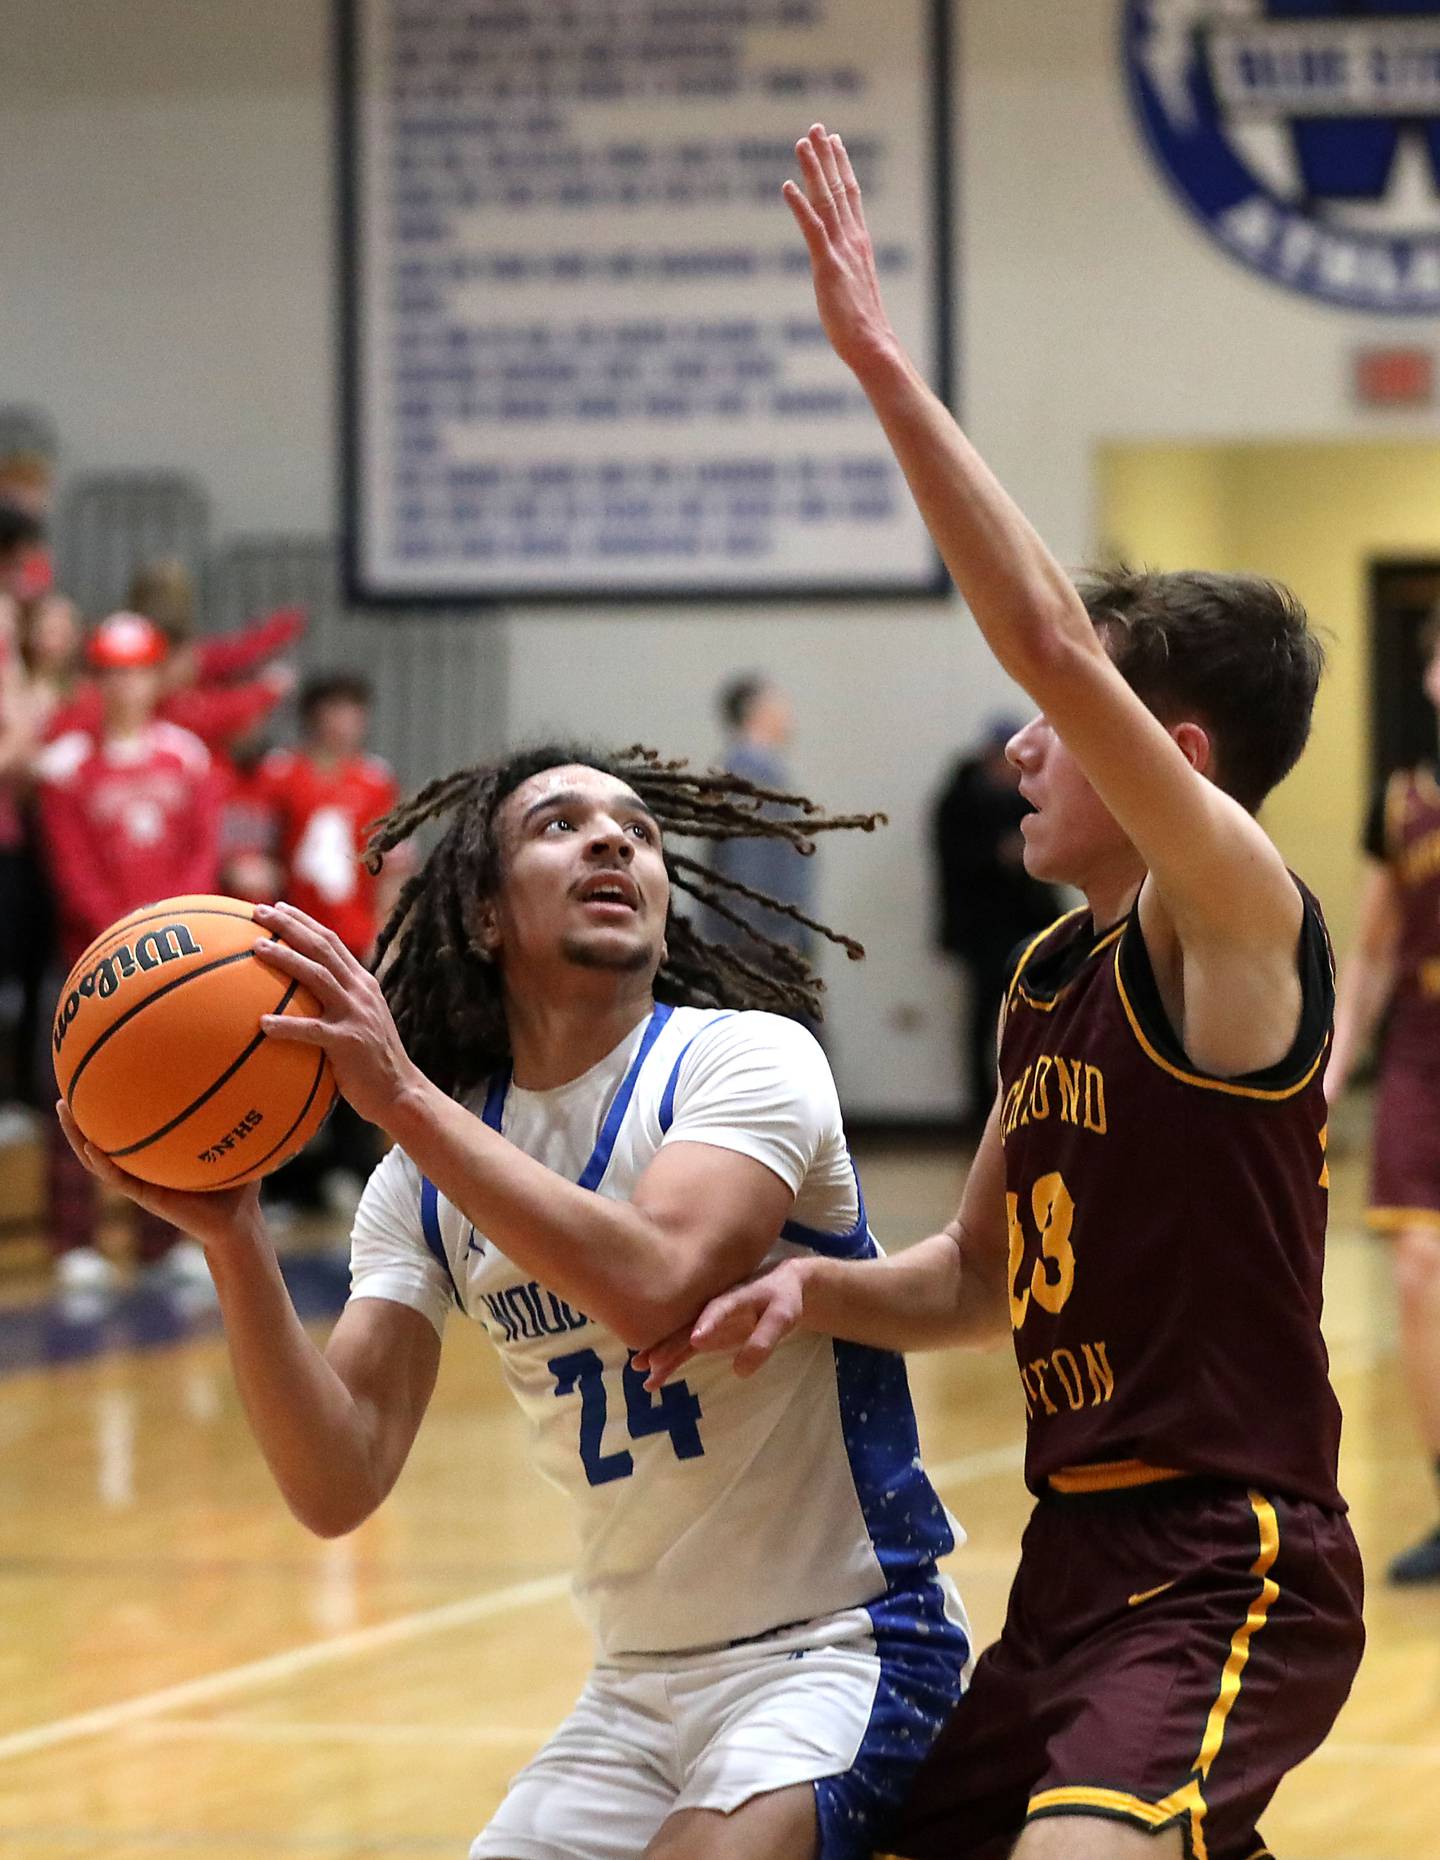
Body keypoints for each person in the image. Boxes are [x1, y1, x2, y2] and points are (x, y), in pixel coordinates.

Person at [642, 125, 1364, 1860]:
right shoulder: (1049, 975)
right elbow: (973, 1278)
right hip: (1068, 1558)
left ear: (1172, 757)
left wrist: (881, 369)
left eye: (1074, 720)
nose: (1026, 743)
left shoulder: (1237, 925)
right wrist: (809, 1296)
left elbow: (1045, 642)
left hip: (1223, 1551)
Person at [57, 741, 971, 1860]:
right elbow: (338, 1479)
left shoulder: (746, 1061)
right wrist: (233, 1238)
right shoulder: (421, 1180)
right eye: (560, 825)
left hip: (843, 1651)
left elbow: (658, 1282)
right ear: (484, 918)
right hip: (634, 1694)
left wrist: (398, 1098)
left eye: (637, 830)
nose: (612, 840)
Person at [37, 611, 221, 1300]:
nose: (125, 686)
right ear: (94, 680)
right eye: (111, 673)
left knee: (175, 1096)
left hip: (176, 961)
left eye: (136, 671)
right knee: (75, 1096)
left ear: (155, 677)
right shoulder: (66, 768)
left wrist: (170, 932)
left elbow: (203, 854)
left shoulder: (187, 757)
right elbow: (71, 870)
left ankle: (163, 1239)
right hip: (92, 962)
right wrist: (124, 939)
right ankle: (75, 1242)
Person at [1326, 616, 1440, 1584]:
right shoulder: (1402, 805)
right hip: (1423, 1047)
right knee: (1418, 1268)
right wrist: (1328, 1074)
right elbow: (1367, 955)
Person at [253, 672, 407, 1216]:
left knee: (356, 1053)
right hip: (291, 938)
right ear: (313, 717)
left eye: (352, 710)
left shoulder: (374, 779)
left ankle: (352, 1170)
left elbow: (391, 864)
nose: (343, 723)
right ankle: (279, 1182)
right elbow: (252, 848)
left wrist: (386, 937)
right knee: (285, 1057)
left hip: (354, 940)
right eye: (333, 710)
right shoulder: (281, 772)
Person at [931, 719, 1062, 1132]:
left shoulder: (1020, 795)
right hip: (981, 930)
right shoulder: (960, 801)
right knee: (986, 1018)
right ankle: (982, 1111)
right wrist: (998, 856)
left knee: (1031, 1018)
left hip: (1027, 924)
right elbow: (953, 861)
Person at [707, 674, 817, 973]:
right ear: (757, 710)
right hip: (762, 943)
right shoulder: (751, 771)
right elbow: (748, 863)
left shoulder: (754, 768)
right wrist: (764, 938)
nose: (788, 715)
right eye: (780, 704)